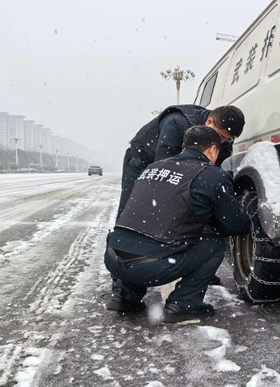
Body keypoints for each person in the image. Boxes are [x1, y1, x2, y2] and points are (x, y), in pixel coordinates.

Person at [104, 126, 251, 323]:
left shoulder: (152, 168)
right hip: (152, 268)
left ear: (184, 147)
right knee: (214, 244)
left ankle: (124, 295)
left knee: (140, 235)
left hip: (113, 258)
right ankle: (182, 304)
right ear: (213, 150)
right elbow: (234, 225)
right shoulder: (212, 175)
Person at [117, 105, 245, 221]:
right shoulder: (178, 123)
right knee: (132, 211)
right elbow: (164, 166)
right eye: (220, 136)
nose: (222, 142)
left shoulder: (224, 141)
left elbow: (214, 174)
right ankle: (121, 239)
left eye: (227, 139)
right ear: (209, 122)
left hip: (172, 162)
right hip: (142, 159)